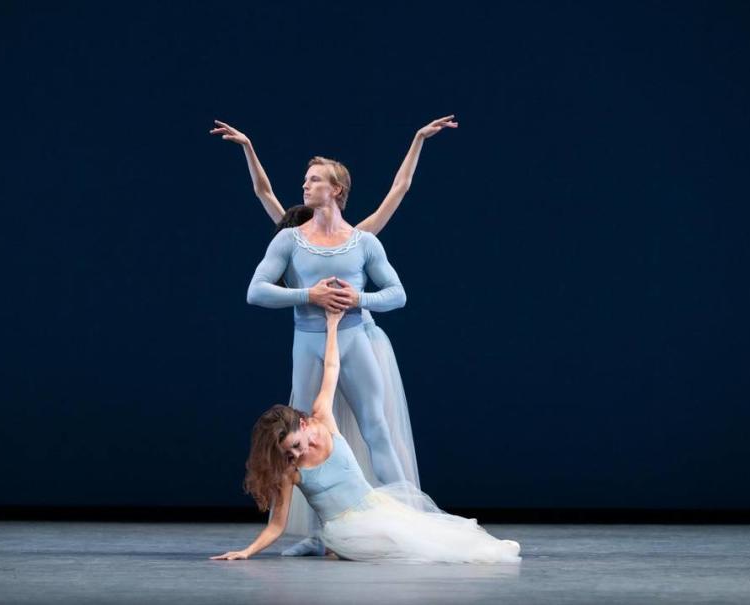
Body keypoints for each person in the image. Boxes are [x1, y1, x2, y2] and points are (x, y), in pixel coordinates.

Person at [211, 117, 456, 546]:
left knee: (376, 427)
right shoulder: (291, 237)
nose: (304, 186)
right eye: (305, 180)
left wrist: (357, 300)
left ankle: (412, 522)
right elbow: (257, 285)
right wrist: (309, 295)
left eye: (314, 180)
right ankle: (327, 532)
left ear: (336, 189)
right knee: (301, 440)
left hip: (356, 338)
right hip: (308, 343)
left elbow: (398, 287)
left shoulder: (361, 240)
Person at [210, 310, 521, 563]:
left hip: (376, 505)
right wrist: (246, 552)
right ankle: (331, 546)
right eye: (288, 454)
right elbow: (277, 524)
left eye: (294, 447)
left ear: (303, 425)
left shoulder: (323, 419)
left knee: (426, 530)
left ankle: (483, 550)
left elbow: (331, 366)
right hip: (346, 530)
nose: (294, 455)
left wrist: (332, 326)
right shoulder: (290, 473)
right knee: (410, 549)